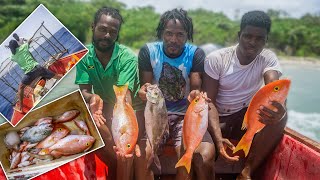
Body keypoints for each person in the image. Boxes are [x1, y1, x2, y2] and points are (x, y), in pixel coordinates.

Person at [136, 8, 236, 180]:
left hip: (185, 115)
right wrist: (143, 92)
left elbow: (196, 85)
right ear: (162, 33)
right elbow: (145, 85)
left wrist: (195, 93)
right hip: (156, 114)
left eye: (180, 35)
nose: (173, 40)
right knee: (143, 156)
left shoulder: (195, 54)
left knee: (204, 155)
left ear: (187, 35)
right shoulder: (149, 52)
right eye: (168, 34)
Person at [203, 10, 287, 179]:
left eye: (259, 38)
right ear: (239, 35)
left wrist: (279, 109)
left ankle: (246, 173)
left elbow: (273, 87)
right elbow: (208, 102)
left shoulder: (267, 58)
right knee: (204, 156)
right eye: (248, 36)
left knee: (281, 115)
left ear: (266, 40)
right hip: (218, 119)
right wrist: (218, 139)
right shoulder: (218, 59)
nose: (252, 42)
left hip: (245, 118)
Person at [75, 7, 143, 180]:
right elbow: (83, 91)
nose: (107, 35)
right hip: (101, 106)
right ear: (93, 27)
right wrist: (92, 98)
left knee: (123, 149)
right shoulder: (83, 57)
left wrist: (123, 117)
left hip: (128, 109)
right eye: (103, 29)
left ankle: (120, 163)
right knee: (98, 128)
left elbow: (125, 96)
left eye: (112, 32)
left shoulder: (127, 57)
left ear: (117, 34)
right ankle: (115, 162)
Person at [8, 39, 62, 113]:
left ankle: (21, 108)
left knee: (21, 87)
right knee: (55, 76)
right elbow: (29, 41)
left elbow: (13, 56)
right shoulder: (24, 46)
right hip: (38, 68)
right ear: (17, 44)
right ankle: (64, 77)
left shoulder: (12, 56)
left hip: (30, 73)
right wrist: (28, 41)